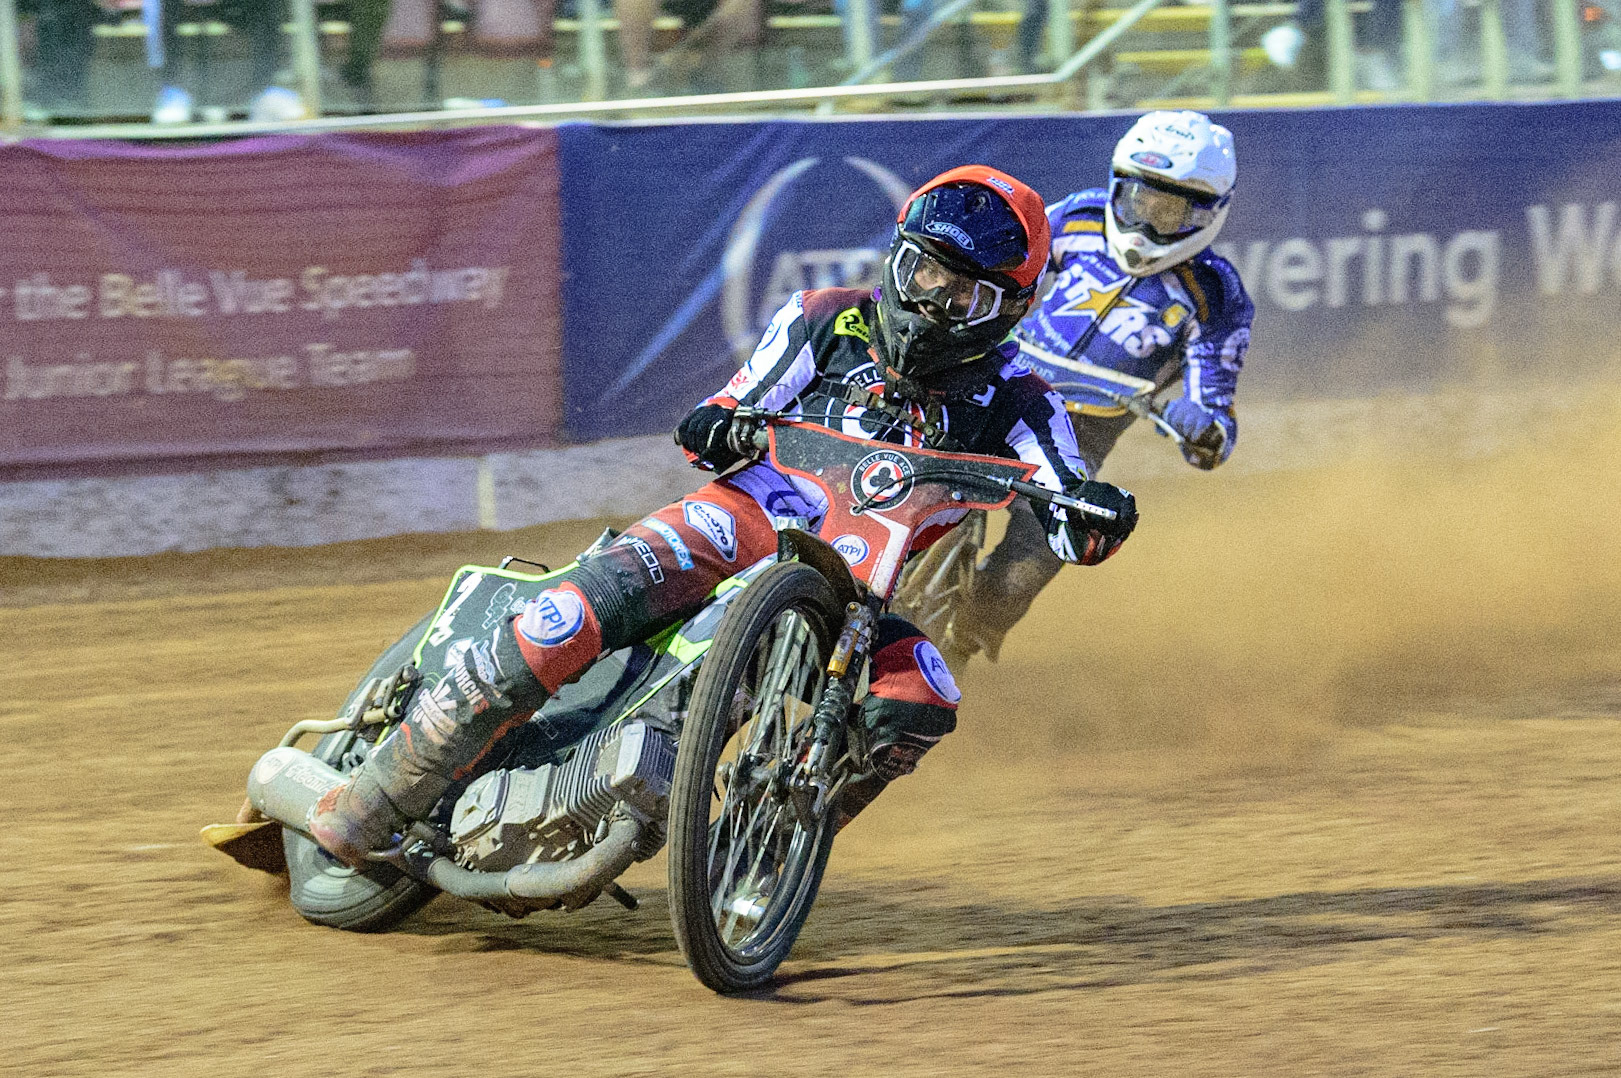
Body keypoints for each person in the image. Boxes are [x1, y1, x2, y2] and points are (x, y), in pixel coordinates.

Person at [307, 164, 1140, 865]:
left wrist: (1096, 515)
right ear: (898, 261)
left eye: (965, 297)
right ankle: (376, 795)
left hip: (854, 597)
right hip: (732, 524)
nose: (933, 305)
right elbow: (726, 408)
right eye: (925, 275)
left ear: (1010, 308)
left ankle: (765, 859)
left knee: (922, 694)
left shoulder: (1023, 401)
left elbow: (1066, 500)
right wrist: (718, 424)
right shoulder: (825, 318)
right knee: (563, 619)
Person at [942, 110, 1250, 669]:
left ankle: (957, 650)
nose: (1147, 220)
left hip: (1080, 430)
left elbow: (1215, 436)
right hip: (995, 377)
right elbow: (1007, 269)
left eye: (1169, 210)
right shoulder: (1082, 216)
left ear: (1206, 213)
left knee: (1038, 551)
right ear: (1116, 185)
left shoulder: (1215, 295)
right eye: (1137, 199)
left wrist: (1200, 425)